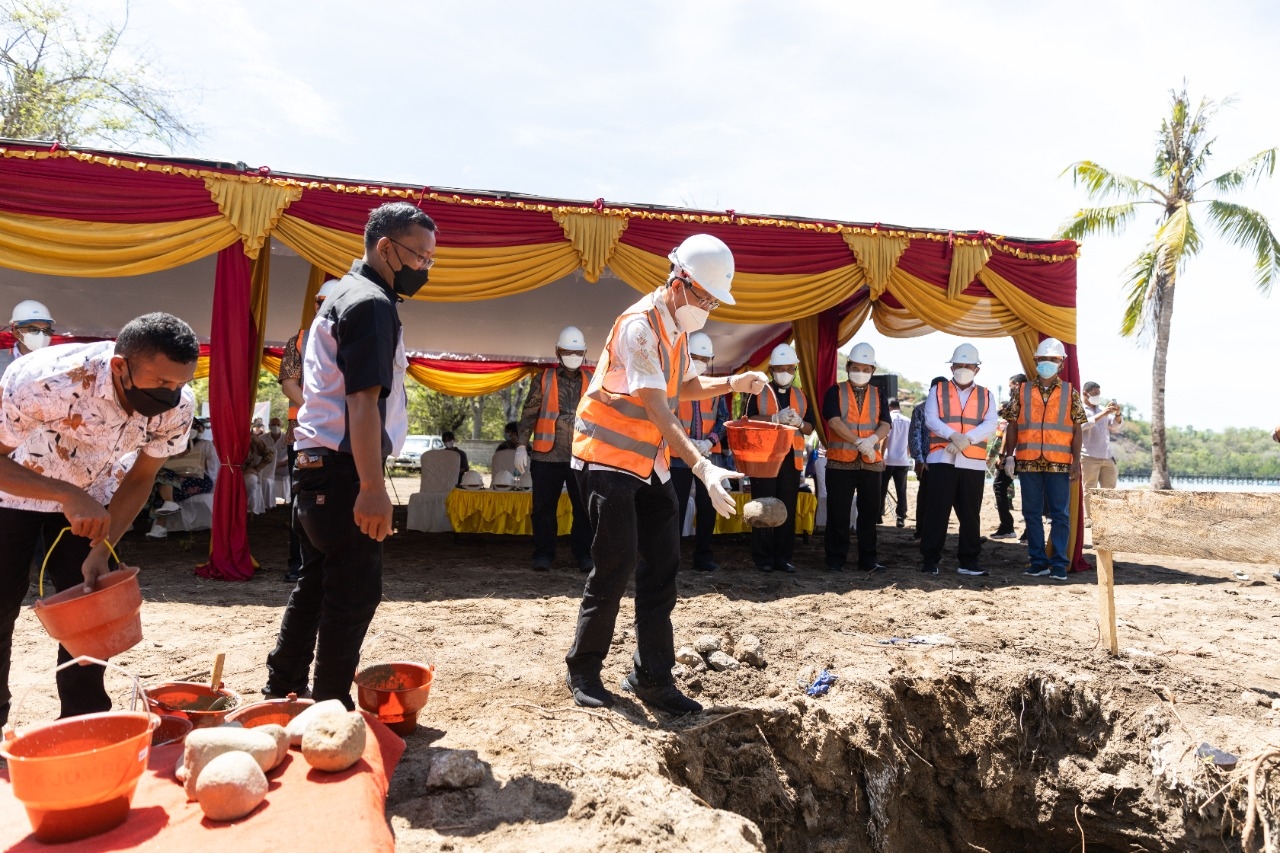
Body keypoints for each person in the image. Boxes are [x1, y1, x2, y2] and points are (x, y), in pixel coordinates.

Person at [566, 233, 766, 715]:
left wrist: (733, 381)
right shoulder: (640, 327)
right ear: (679, 282)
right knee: (614, 564)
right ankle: (585, 669)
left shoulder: (675, 328)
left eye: (716, 301)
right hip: (607, 458)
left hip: (648, 462)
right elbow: (659, 408)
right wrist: (700, 466)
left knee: (662, 566)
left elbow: (684, 385)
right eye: (706, 298)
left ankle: (652, 676)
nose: (710, 309)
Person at [264, 201, 436, 707]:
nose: (425, 268)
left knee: (317, 581)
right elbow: (362, 402)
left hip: (317, 464)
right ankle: (330, 707)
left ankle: (283, 687)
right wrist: (372, 488)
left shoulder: (342, 293)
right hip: (342, 470)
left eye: (431, 259)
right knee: (354, 592)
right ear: (386, 247)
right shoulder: (370, 304)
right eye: (419, 256)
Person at [0, 312, 198, 725]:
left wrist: (102, 546)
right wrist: (65, 494)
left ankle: (85, 719)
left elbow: (142, 476)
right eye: (161, 383)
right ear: (119, 367)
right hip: (13, 491)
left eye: (180, 382)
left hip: (95, 496)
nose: (172, 393)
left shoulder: (177, 407)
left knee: (93, 609)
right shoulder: (46, 381)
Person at [1001, 337, 1086, 580]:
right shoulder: (1023, 390)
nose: (1048, 362)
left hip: (1060, 462)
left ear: (1061, 363)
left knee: (1060, 514)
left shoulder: (1071, 392)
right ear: (1036, 361)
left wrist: (1076, 462)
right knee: (1031, 513)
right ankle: (1038, 562)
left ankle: (1059, 563)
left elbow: (1077, 429)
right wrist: (1009, 457)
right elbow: (1013, 425)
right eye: (1043, 359)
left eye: (1053, 359)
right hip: (1027, 460)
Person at [514, 326, 594, 572]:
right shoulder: (544, 378)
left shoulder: (593, 379)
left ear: (584, 353)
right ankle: (543, 554)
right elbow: (529, 413)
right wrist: (520, 445)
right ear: (557, 351)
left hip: (581, 455)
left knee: (584, 509)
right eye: (568, 351)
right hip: (547, 455)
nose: (572, 355)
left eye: (577, 351)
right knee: (543, 508)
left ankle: (584, 555)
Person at [919, 344, 998, 576]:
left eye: (969, 366)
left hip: (972, 462)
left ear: (977, 369)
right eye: (960, 365)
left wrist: (967, 439)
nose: (964, 369)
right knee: (936, 512)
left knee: (970, 514)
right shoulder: (938, 390)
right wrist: (953, 436)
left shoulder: (986, 394)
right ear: (951, 367)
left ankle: (968, 561)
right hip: (942, 458)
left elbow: (991, 423)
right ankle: (930, 560)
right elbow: (930, 418)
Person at [279, 280, 336, 582]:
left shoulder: (352, 341)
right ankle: (297, 564)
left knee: (337, 497)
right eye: (319, 301)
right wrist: (318, 408)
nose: (323, 307)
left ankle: (332, 562)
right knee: (303, 498)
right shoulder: (298, 341)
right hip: (304, 435)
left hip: (340, 435)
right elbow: (290, 384)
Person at [745, 343, 816, 572]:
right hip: (764, 460)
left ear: (795, 368)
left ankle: (783, 558)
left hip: (790, 461)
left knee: (786, 508)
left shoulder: (801, 396)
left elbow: (810, 427)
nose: (784, 372)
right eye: (779, 368)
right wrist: (774, 418)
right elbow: (747, 419)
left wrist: (799, 423)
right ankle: (763, 558)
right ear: (771, 369)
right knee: (763, 508)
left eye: (789, 367)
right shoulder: (759, 391)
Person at [823, 342, 891, 572]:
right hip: (840, 462)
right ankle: (835, 559)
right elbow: (833, 421)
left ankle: (868, 560)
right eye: (857, 367)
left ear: (872, 370)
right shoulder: (835, 391)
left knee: (869, 515)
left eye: (866, 368)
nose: (861, 372)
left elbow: (885, 424)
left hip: (870, 464)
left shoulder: (878, 393)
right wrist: (858, 442)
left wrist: (871, 441)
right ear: (848, 365)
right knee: (838, 514)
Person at [669, 331, 730, 572]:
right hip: (678, 457)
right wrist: (686, 442)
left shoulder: (714, 387)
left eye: (705, 358)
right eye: (695, 357)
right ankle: (671, 558)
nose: (701, 362)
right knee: (676, 508)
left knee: (708, 507)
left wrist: (709, 442)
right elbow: (666, 418)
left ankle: (704, 556)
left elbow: (723, 420)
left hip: (708, 456)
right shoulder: (673, 386)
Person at [145, 418, 217, 540]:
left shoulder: (204, 445)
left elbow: (211, 469)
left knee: (164, 481)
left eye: (196, 426)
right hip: (177, 480)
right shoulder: (172, 443)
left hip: (199, 480)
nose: (194, 429)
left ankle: (160, 524)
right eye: (191, 426)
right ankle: (166, 511)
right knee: (165, 480)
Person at [908, 376, 947, 539]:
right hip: (928, 462)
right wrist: (919, 460)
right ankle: (921, 531)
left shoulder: (951, 410)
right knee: (925, 497)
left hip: (948, 461)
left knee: (946, 499)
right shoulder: (921, 409)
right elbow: (915, 435)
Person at [1080, 381, 1123, 525]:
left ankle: (1106, 517)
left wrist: (1117, 414)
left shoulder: (1101, 410)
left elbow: (1115, 427)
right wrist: (1104, 413)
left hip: (1107, 456)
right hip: (1088, 456)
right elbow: (1083, 425)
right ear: (1086, 393)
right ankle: (1089, 518)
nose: (1098, 396)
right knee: (1089, 487)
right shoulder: (1080, 410)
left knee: (1110, 488)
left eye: (1099, 393)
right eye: (1095, 393)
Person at [990, 373, 1026, 539]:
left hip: (1016, 453)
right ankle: (1028, 531)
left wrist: (1003, 455)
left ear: (1017, 385)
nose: (1010, 388)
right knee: (1030, 491)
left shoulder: (1016, 402)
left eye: (1011, 385)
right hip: (1029, 453)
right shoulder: (1035, 402)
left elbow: (1009, 431)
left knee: (999, 486)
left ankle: (1007, 526)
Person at [0, 300, 55, 380]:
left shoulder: (57, 362)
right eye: (33, 329)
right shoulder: (1, 358)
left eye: (47, 330)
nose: (41, 335)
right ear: (16, 332)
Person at [880, 397, 911, 528]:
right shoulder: (908, 421)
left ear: (889, 407)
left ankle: (878, 514)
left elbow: (885, 439)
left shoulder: (888, 420)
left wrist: (881, 456)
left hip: (888, 459)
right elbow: (910, 441)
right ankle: (901, 517)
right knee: (901, 489)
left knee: (881, 488)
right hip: (902, 460)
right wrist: (907, 455)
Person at [244, 419, 277, 514]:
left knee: (250, 481)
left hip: (247, 471)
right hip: (229, 470)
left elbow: (269, 454)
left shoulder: (252, 439)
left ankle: (244, 504)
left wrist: (257, 468)